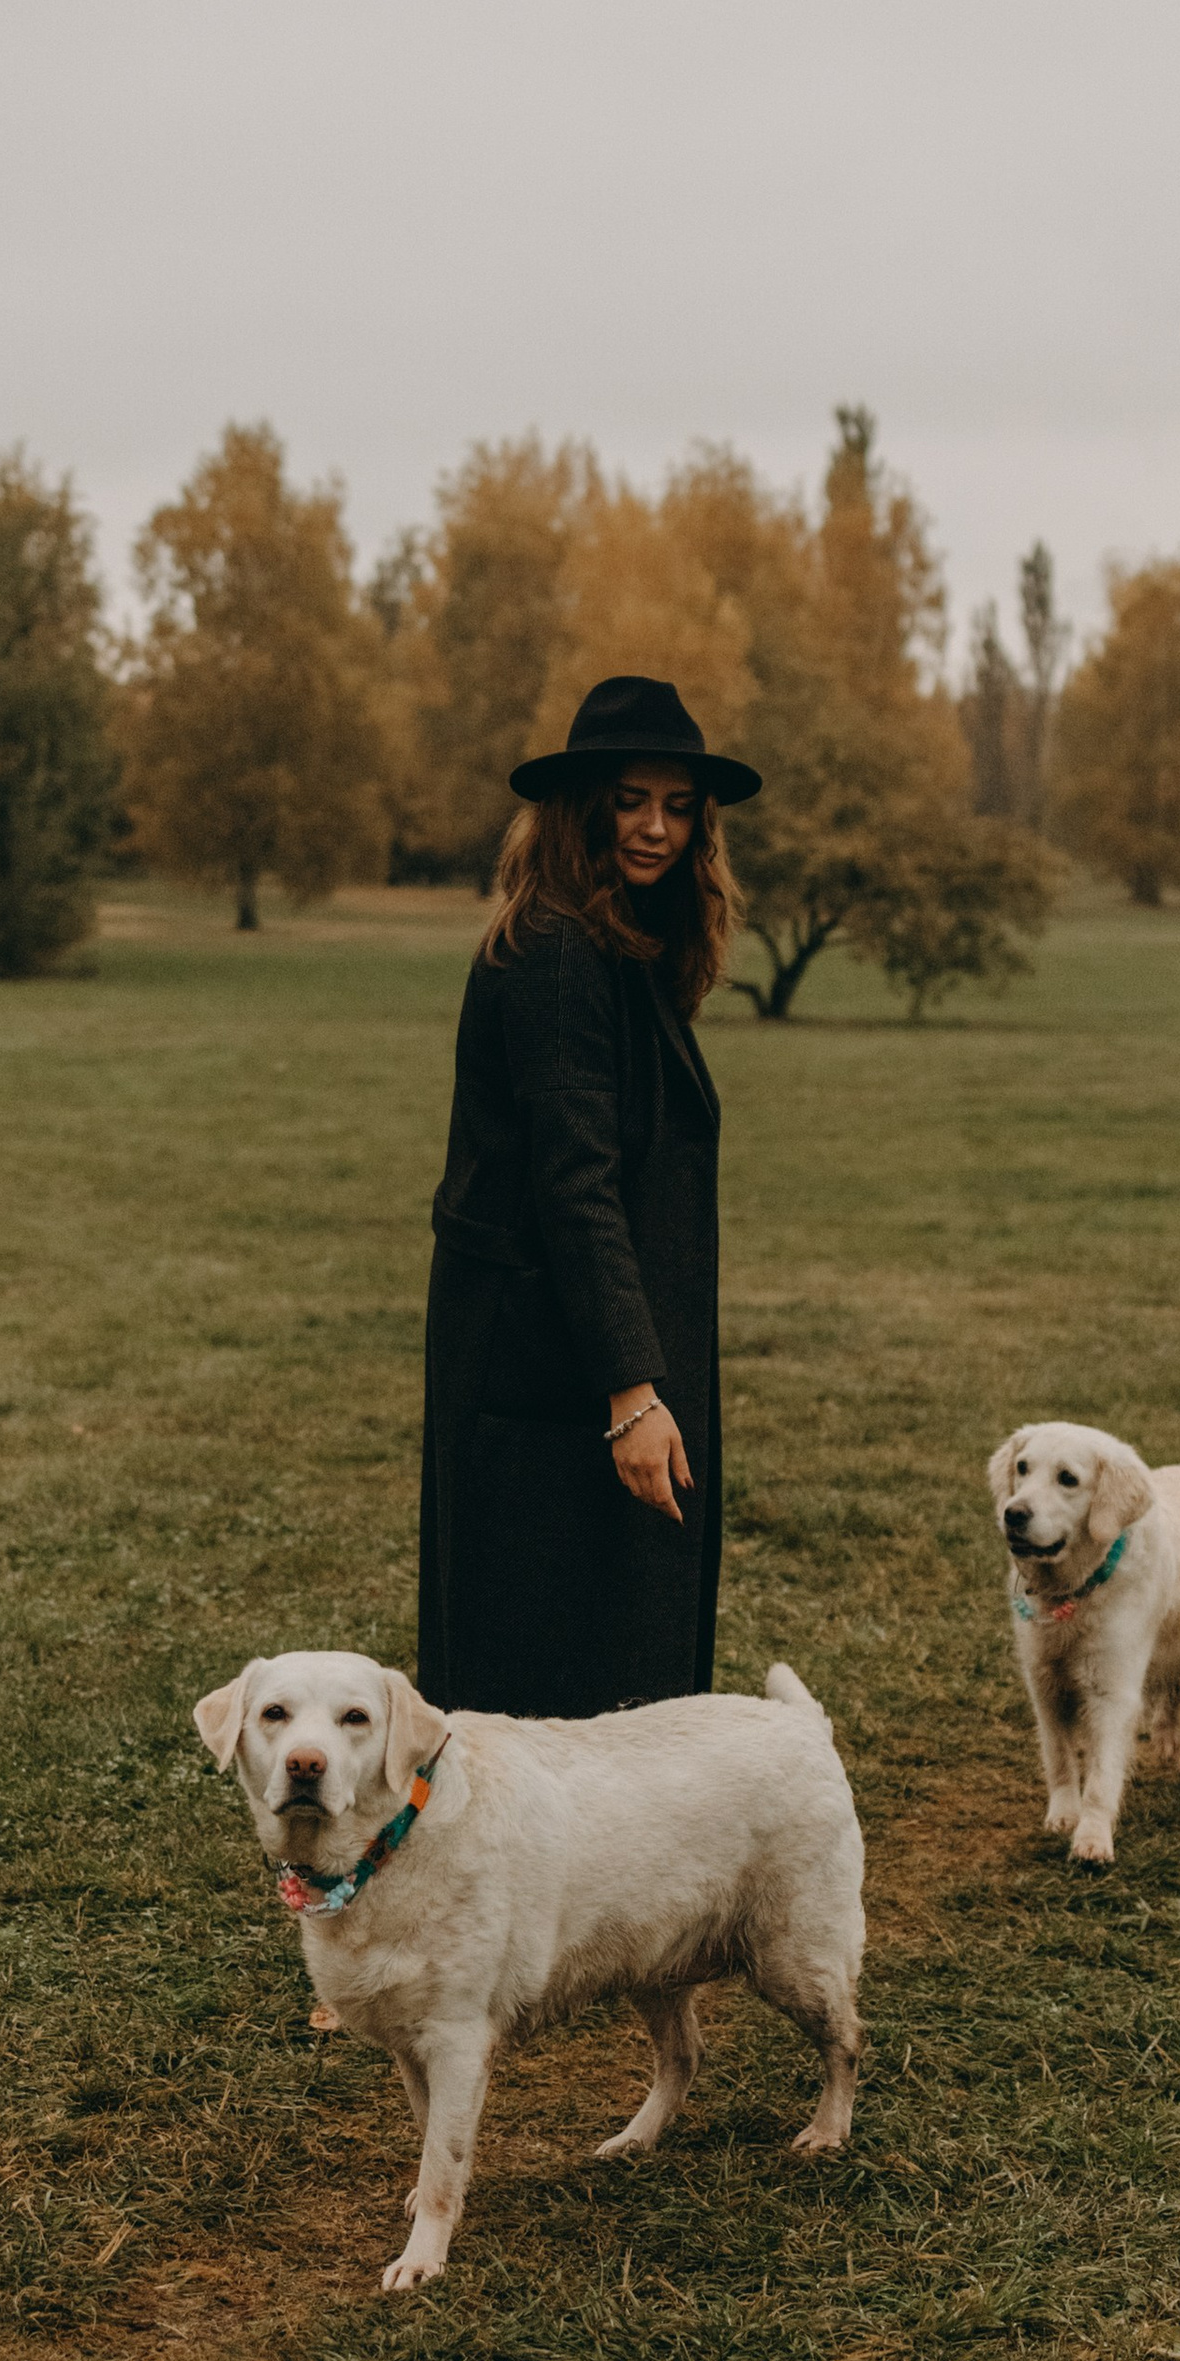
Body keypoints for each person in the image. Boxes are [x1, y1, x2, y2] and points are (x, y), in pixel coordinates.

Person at [418, 674, 762, 1718]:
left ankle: (616, 1877)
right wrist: (631, 1393)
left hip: (585, 1348)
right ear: (580, 807)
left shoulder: (622, 945)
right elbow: (575, 1185)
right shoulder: (560, 951)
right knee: (548, 1662)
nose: (655, 827)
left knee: (609, 1650)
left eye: (677, 803)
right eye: (629, 800)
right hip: (546, 1367)